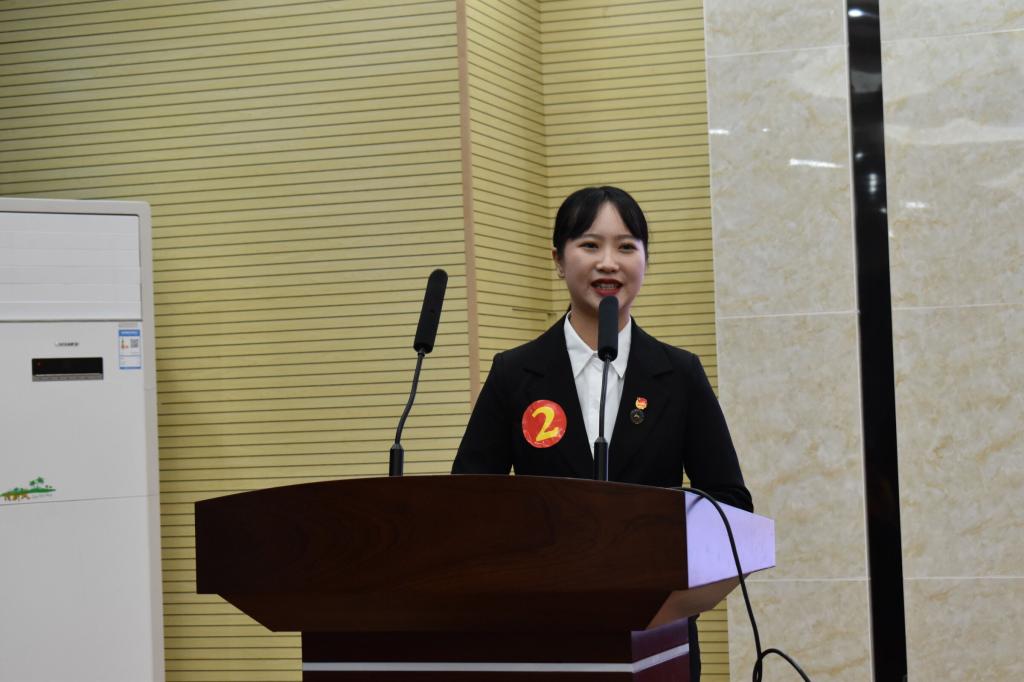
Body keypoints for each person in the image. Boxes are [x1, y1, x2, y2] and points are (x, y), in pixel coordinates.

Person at [452, 185, 752, 680]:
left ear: (646, 260)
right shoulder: (515, 373)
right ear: (558, 259)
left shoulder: (679, 374)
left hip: (658, 638)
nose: (608, 263)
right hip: (540, 635)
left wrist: (668, 573)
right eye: (590, 245)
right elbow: (466, 503)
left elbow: (730, 502)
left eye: (626, 246)